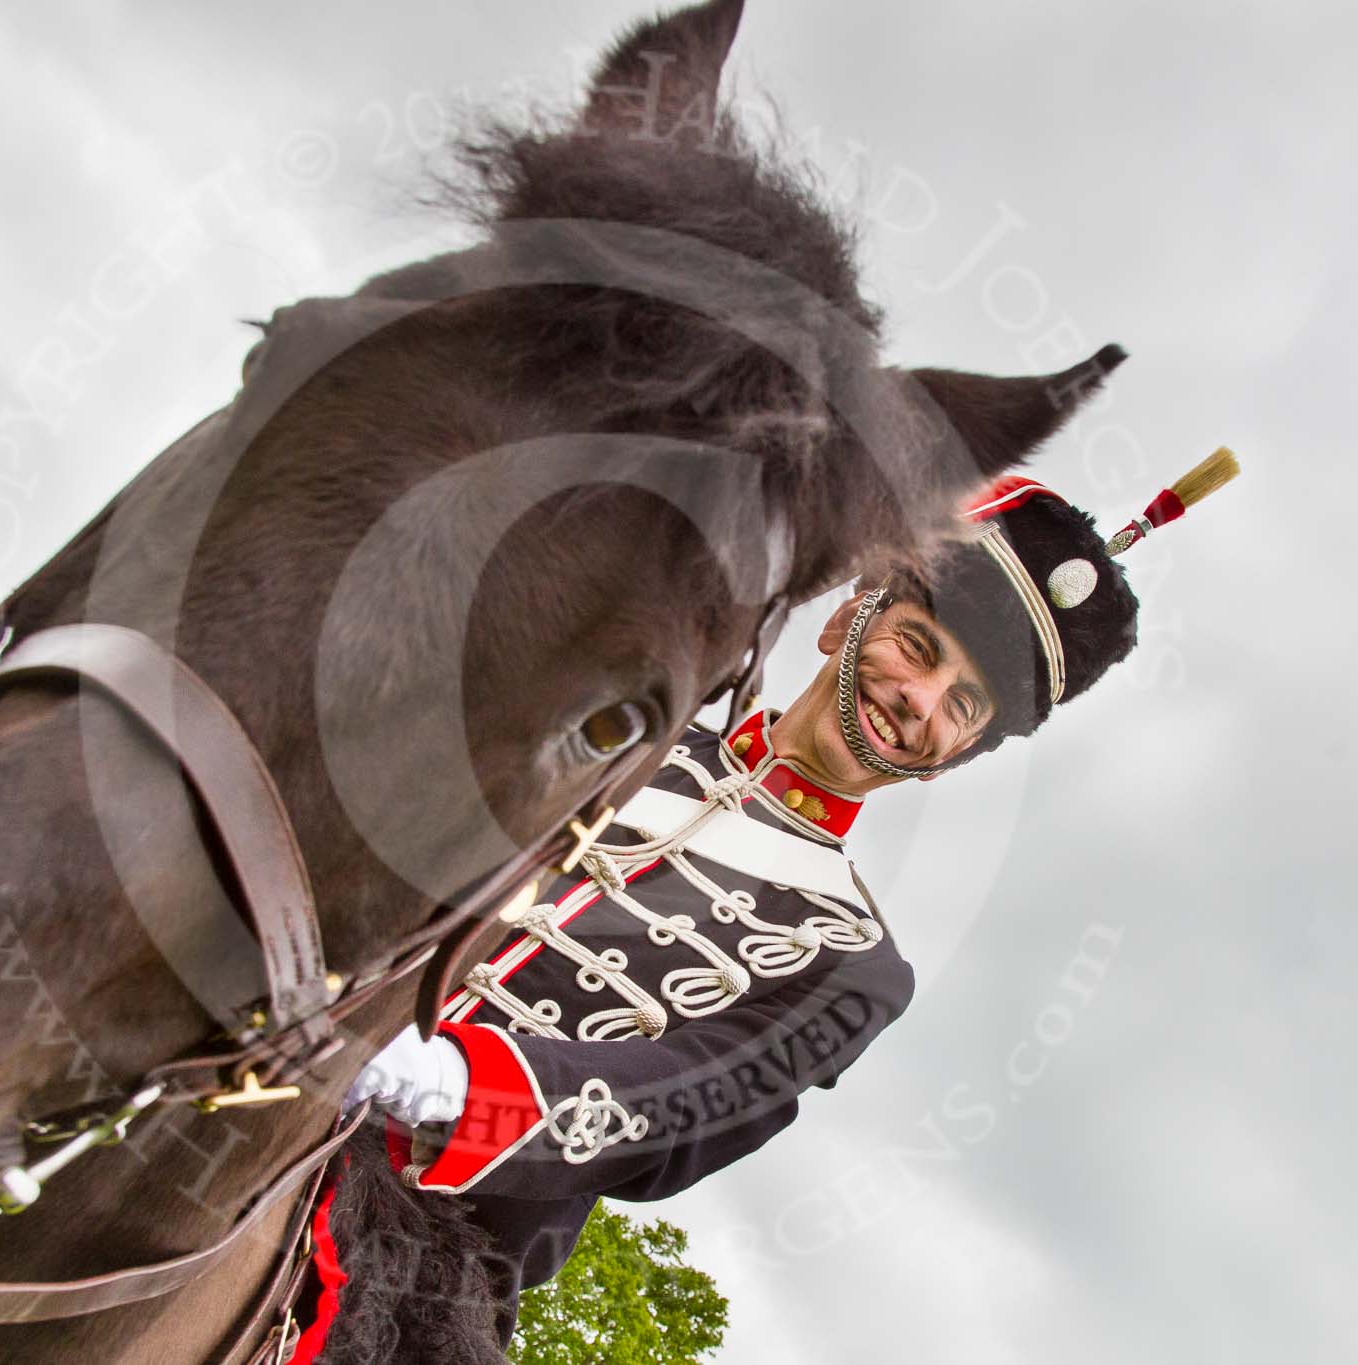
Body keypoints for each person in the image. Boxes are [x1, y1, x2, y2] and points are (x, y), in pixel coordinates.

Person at [337, 453, 1240, 1338]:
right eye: (916, 647)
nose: (920, 699)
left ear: (955, 757)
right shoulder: (607, 718)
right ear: (849, 614)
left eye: (962, 705)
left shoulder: (854, 966)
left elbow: (679, 1110)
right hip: (290, 1052)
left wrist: (453, 1086)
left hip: (422, 1250)